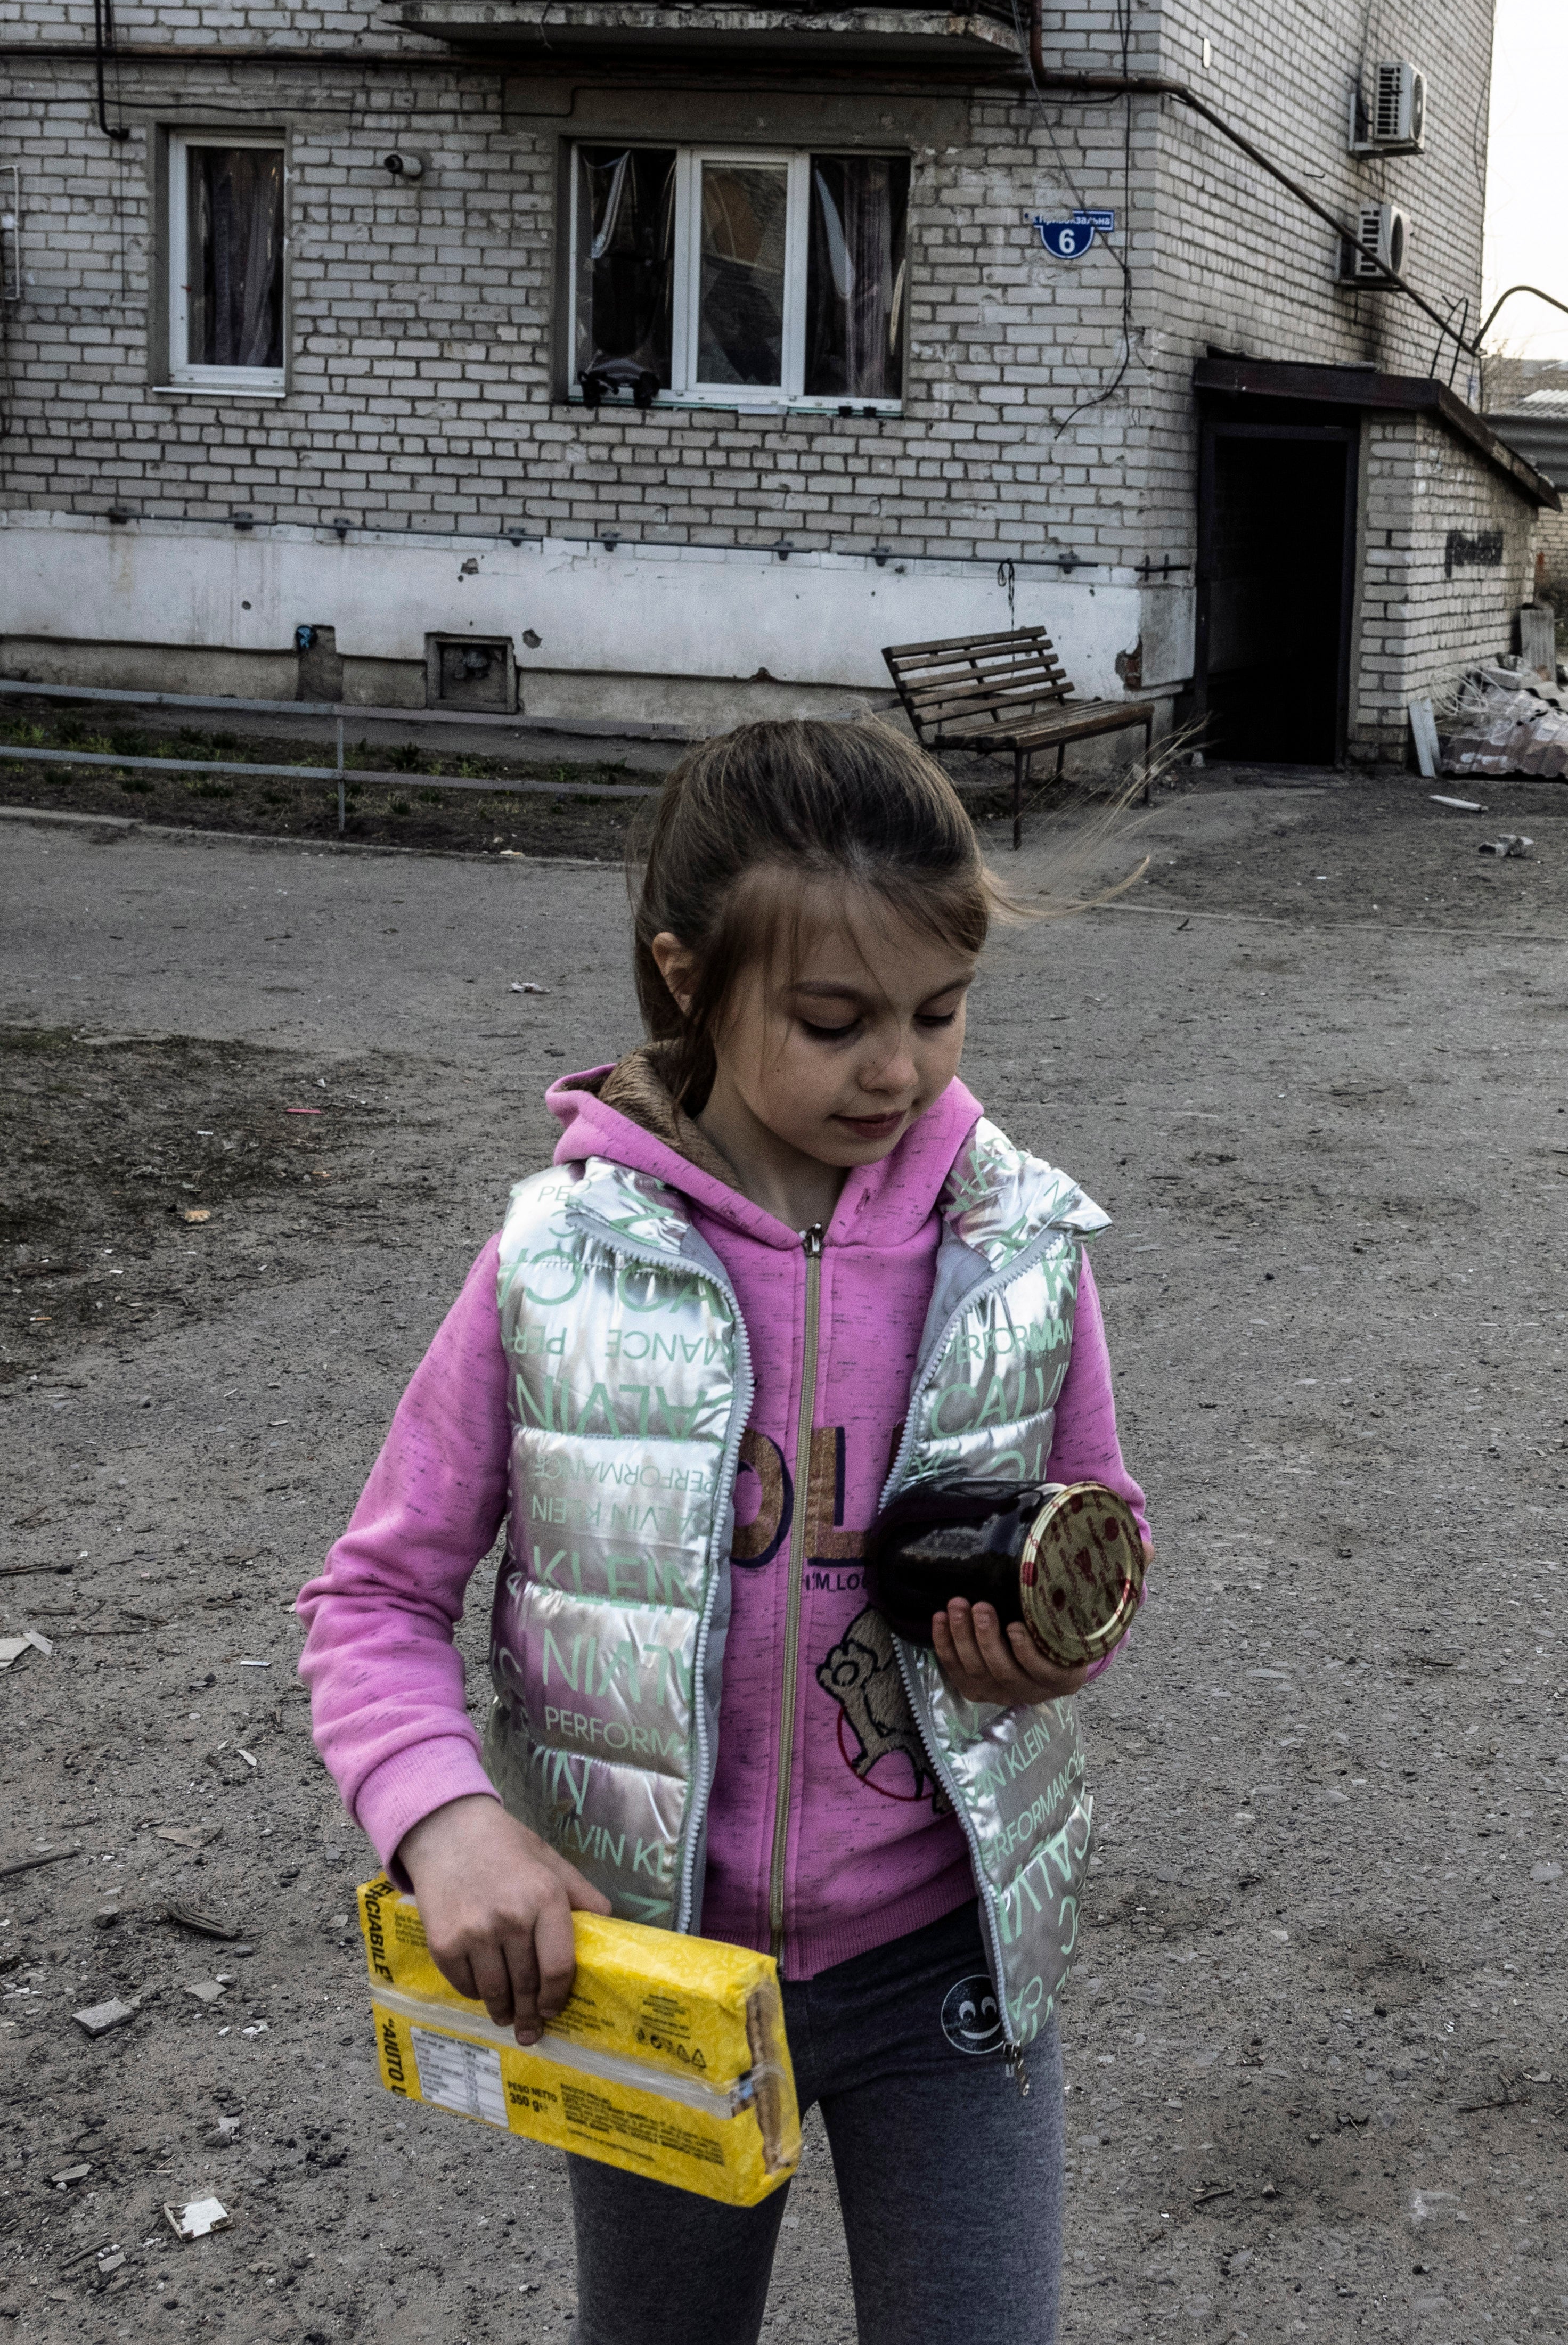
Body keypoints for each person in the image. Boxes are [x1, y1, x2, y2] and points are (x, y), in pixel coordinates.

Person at [298, 721, 1149, 2345]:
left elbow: (1101, 1527)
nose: (896, 1070)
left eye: (938, 1010)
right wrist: (443, 1820)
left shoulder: (1020, 1246)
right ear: (688, 977)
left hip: (945, 1963)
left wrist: (1055, 1641)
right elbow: (373, 1598)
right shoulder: (558, 1265)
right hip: (652, 1975)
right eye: (834, 1021)